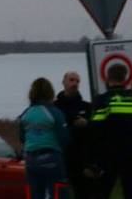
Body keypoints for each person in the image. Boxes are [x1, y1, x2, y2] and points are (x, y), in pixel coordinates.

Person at [20, 77, 71, 199]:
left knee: (34, 193)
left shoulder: (26, 113)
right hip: (51, 158)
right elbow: (64, 138)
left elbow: (22, 137)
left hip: (31, 159)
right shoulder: (54, 112)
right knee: (58, 193)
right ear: (50, 93)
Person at [89, 63, 132, 199]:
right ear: (125, 78)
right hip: (130, 155)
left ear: (107, 78)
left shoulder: (102, 100)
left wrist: (92, 160)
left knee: (101, 193)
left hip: (108, 155)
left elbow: (95, 130)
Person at [55, 71, 93, 199]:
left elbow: (96, 132)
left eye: (77, 81)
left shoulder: (86, 107)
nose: (74, 84)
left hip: (80, 159)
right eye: (71, 80)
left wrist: (87, 123)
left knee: (82, 193)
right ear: (64, 82)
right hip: (60, 158)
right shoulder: (55, 107)